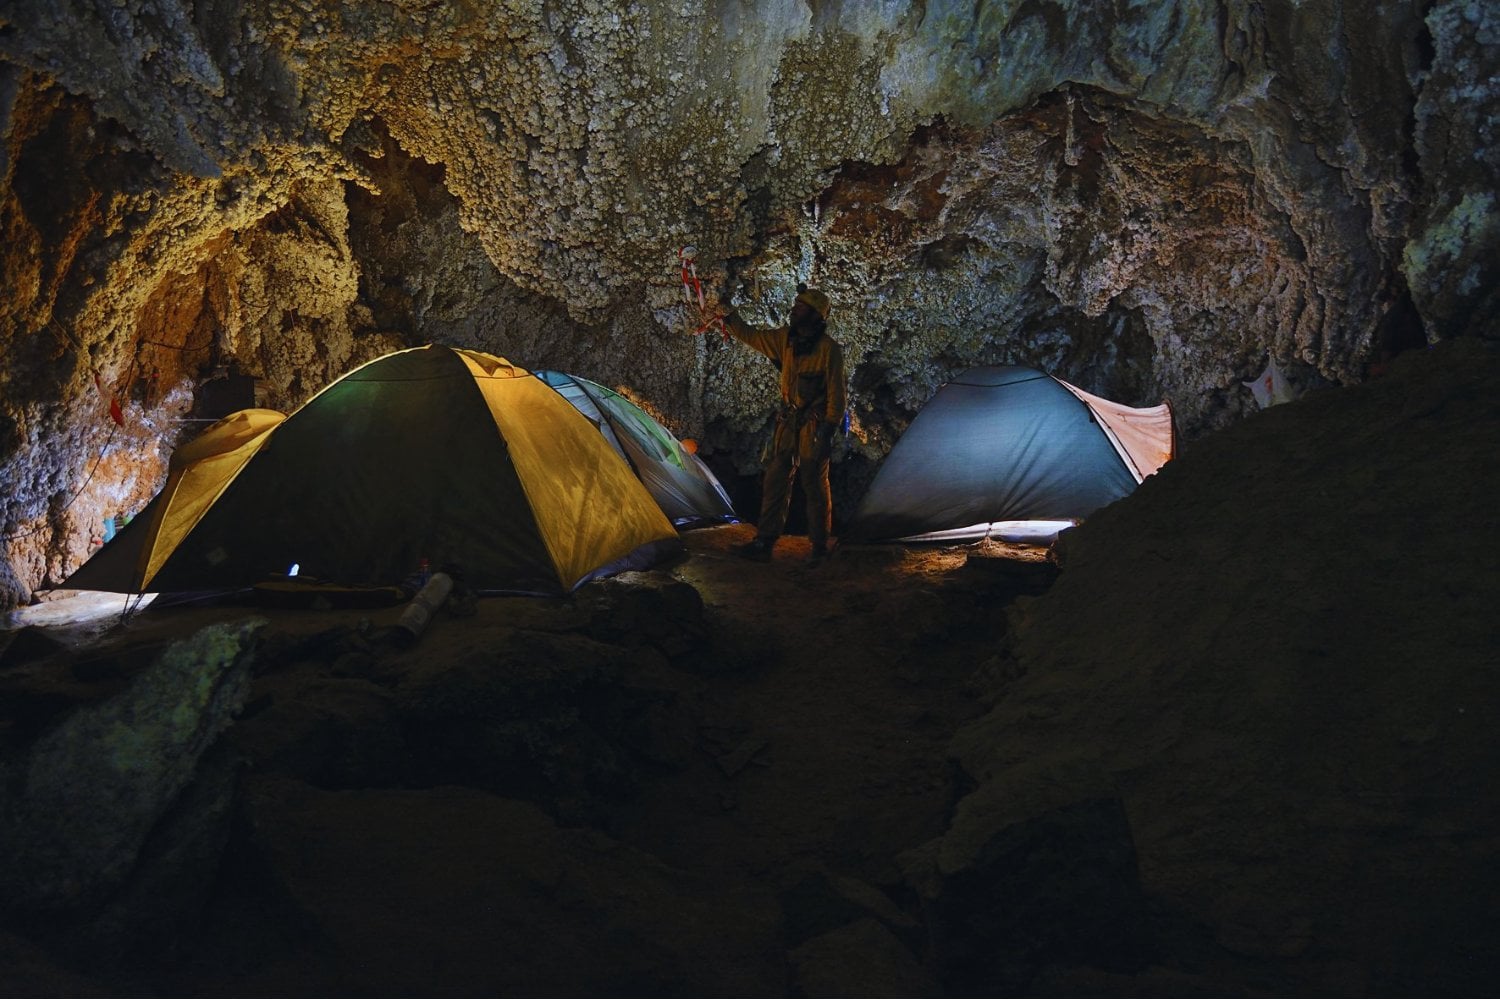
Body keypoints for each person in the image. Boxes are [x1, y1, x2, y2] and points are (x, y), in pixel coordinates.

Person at [718, 285, 846, 564]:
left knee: (814, 483)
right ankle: (765, 541)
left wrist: (828, 428)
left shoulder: (828, 350)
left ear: (815, 315)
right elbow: (751, 336)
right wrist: (728, 316)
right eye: (795, 306)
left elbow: (837, 393)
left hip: (814, 424)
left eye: (800, 307)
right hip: (789, 422)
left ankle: (820, 546)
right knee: (776, 478)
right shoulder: (784, 341)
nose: (793, 310)